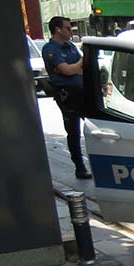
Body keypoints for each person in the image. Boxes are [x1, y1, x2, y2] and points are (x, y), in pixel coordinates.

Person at [42, 16, 90, 179]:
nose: (71, 31)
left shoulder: (71, 47)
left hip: (83, 91)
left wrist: (75, 68)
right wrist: (76, 67)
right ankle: (80, 167)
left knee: (97, 127)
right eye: (68, 28)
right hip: (67, 95)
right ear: (58, 29)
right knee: (73, 131)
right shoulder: (51, 49)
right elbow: (67, 70)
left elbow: (81, 68)